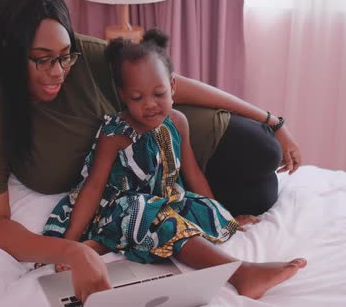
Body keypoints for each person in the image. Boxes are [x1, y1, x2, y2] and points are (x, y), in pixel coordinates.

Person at [0, 0, 303, 303]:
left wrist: (270, 119)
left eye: (65, 55)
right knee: (260, 194)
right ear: (10, 51)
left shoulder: (90, 57)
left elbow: (171, 85)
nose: (58, 70)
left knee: (264, 151)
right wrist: (70, 249)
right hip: (132, 187)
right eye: (42, 59)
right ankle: (239, 273)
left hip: (176, 142)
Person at [42, 30, 306, 299]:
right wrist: (69, 242)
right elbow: (94, 186)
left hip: (166, 201)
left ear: (173, 86)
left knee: (196, 209)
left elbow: (192, 174)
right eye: (137, 98)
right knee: (148, 212)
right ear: (123, 95)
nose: (150, 105)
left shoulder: (178, 122)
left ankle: (101, 245)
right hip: (120, 207)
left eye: (159, 93)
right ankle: (241, 274)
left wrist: (223, 216)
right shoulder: (115, 133)